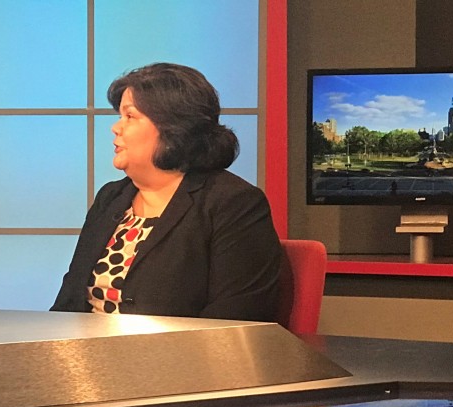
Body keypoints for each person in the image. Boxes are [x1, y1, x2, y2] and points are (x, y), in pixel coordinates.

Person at [51, 63, 282, 321]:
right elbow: (68, 303)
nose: (115, 128)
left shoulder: (233, 203)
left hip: (181, 357)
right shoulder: (111, 198)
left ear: (173, 127)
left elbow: (235, 320)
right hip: (88, 357)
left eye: (130, 116)